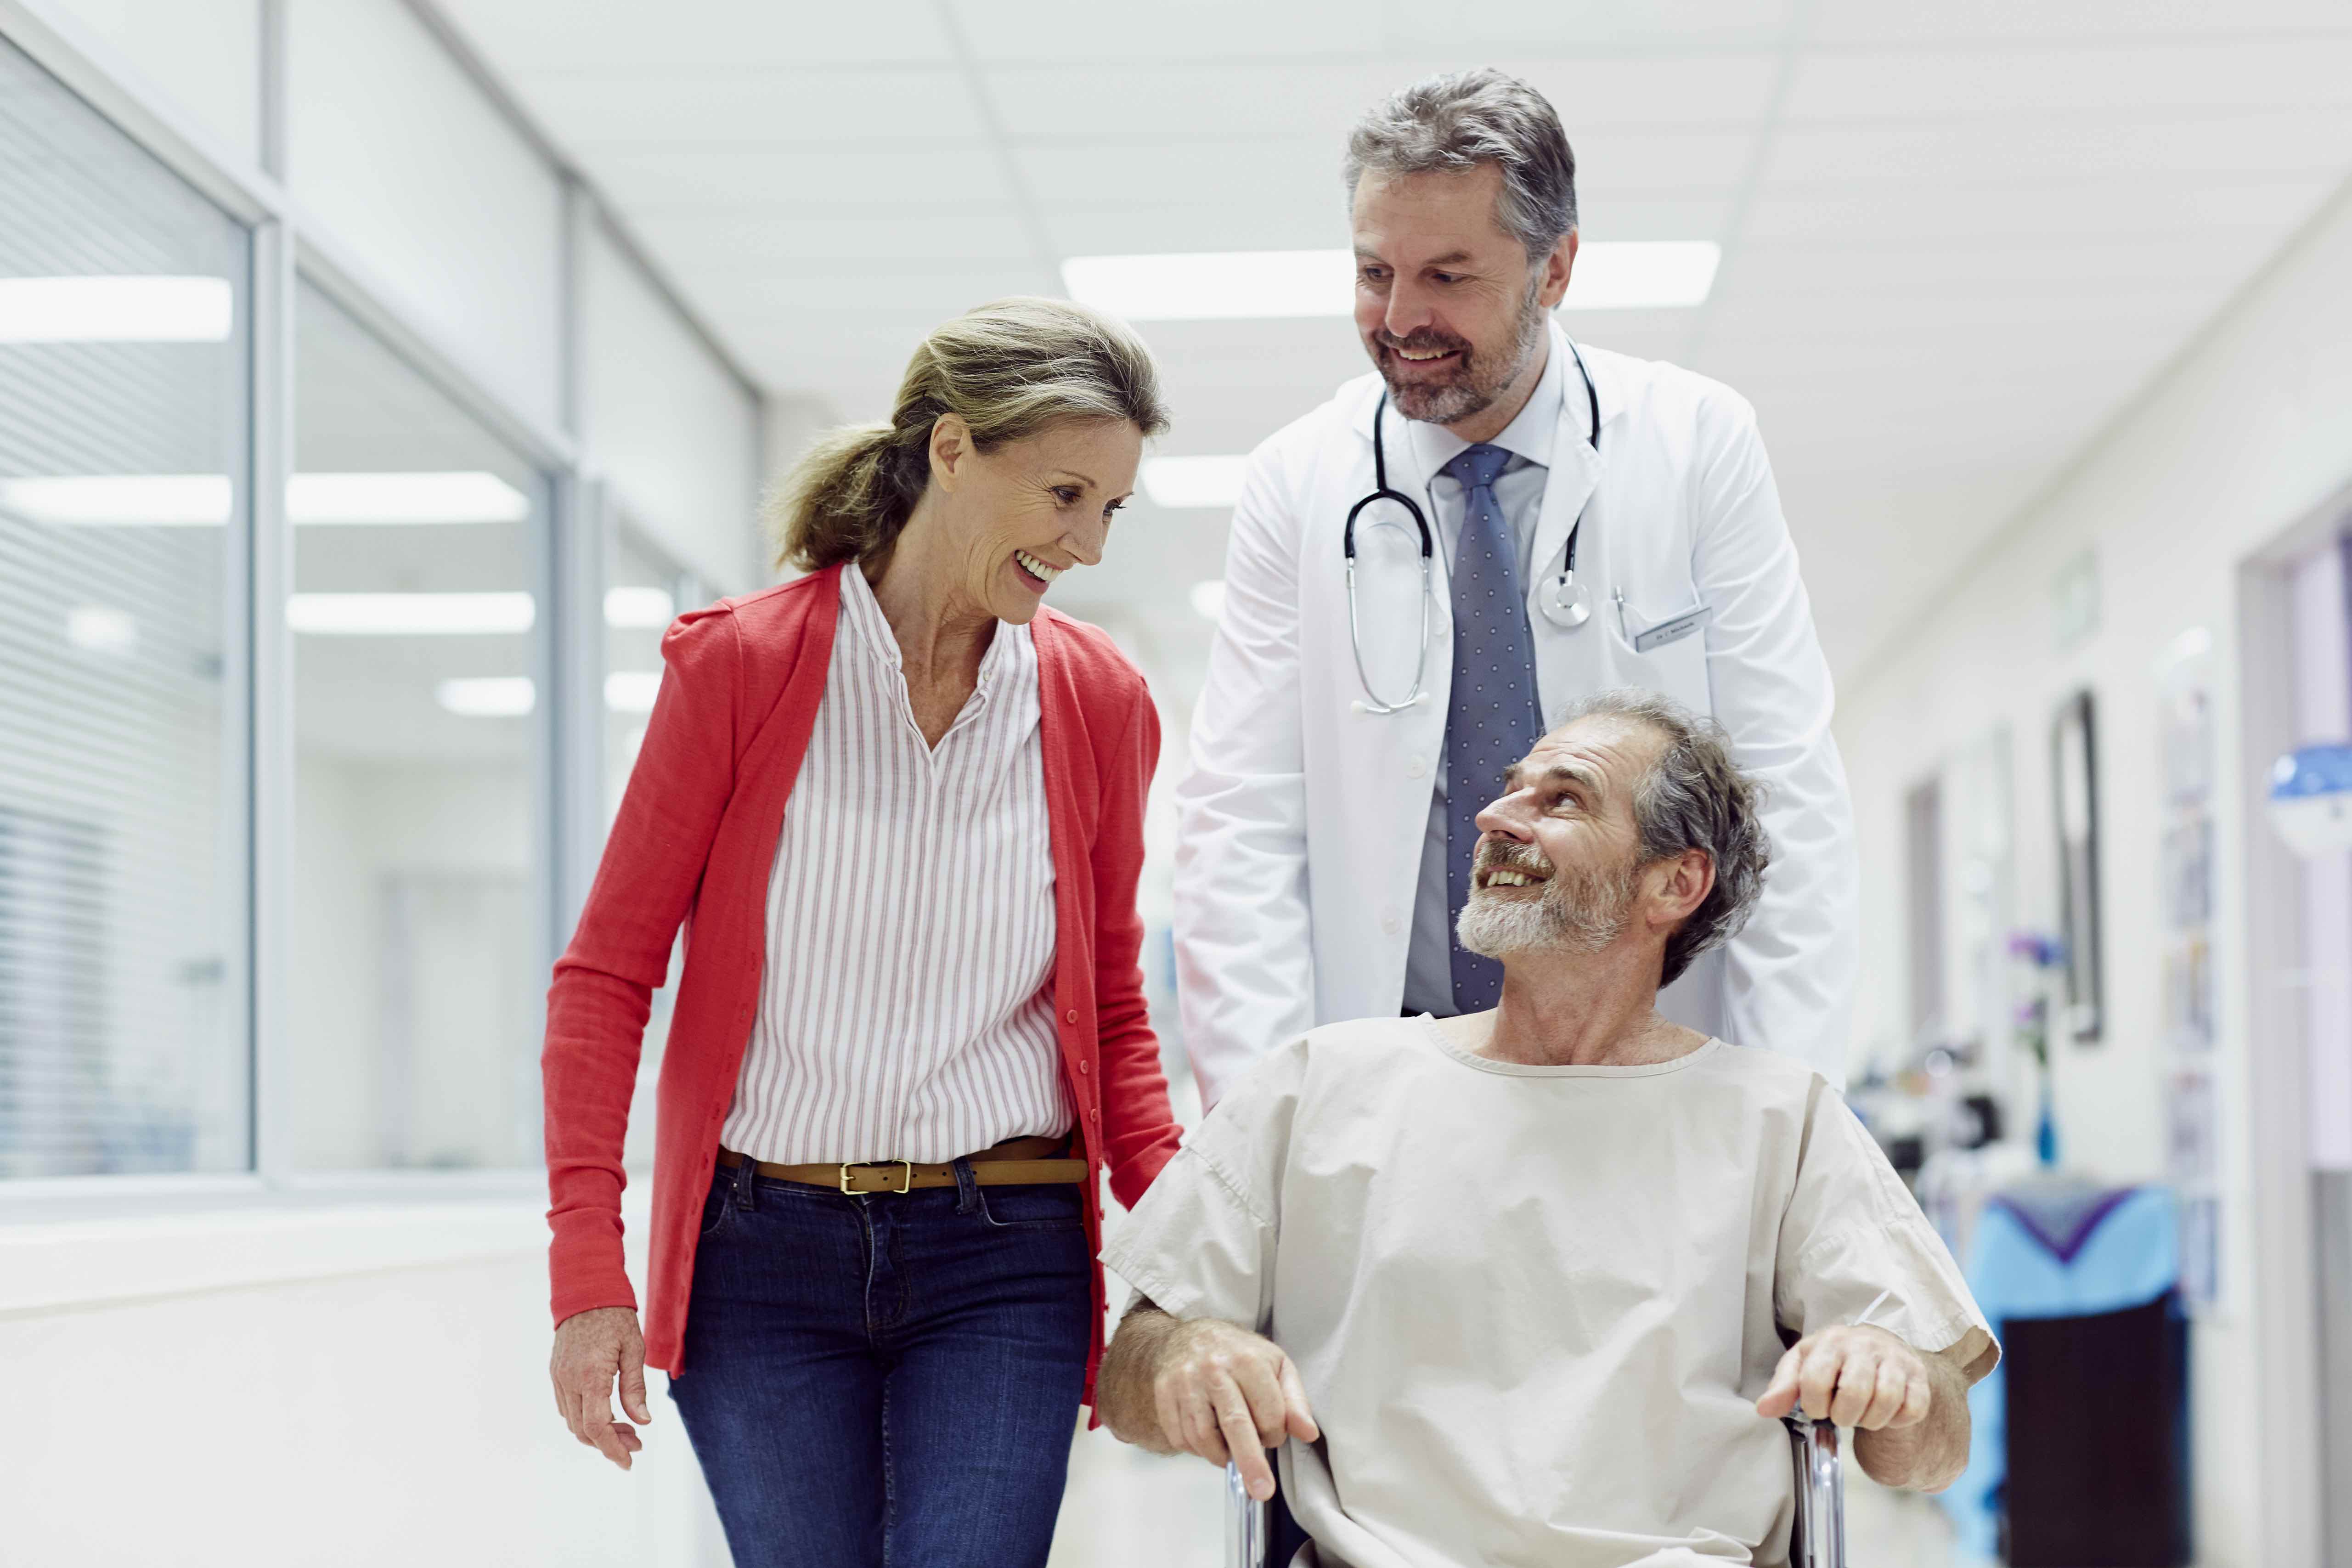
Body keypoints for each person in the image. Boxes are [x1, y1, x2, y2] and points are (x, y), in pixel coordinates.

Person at [540, 298, 1186, 1568]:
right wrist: (587, 1274)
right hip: (760, 1259)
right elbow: (605, 978)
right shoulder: (740, 668)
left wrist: (1194, 1241)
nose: (1087, 542)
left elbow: (1110, 1006)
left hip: (1006, 1254)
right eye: (1064, 493)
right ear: (952, 449)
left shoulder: (1097, 702)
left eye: (1109, 508)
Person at [1102, 691, 1996, 1568]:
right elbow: (1129, 1375)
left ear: (1673, 883)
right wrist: (1186, 1348)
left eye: (1561, 798)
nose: (1493, 815)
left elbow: (1933, 1452)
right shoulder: (1318, 1086)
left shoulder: (1778, 1119)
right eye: (1509, 788)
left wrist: (1894, 1375)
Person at [1175, 68, 1857, 1106]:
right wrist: (1262, 1119)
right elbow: (1242, 824)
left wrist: (1785, 1104)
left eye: (1448, 276)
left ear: (1554, 269)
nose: (1400, 318)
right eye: (1373, 273)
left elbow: (1782, 791)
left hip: (1648, 1062)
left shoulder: (1692, 443)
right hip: (1388, 1072)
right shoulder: (1297, 479)